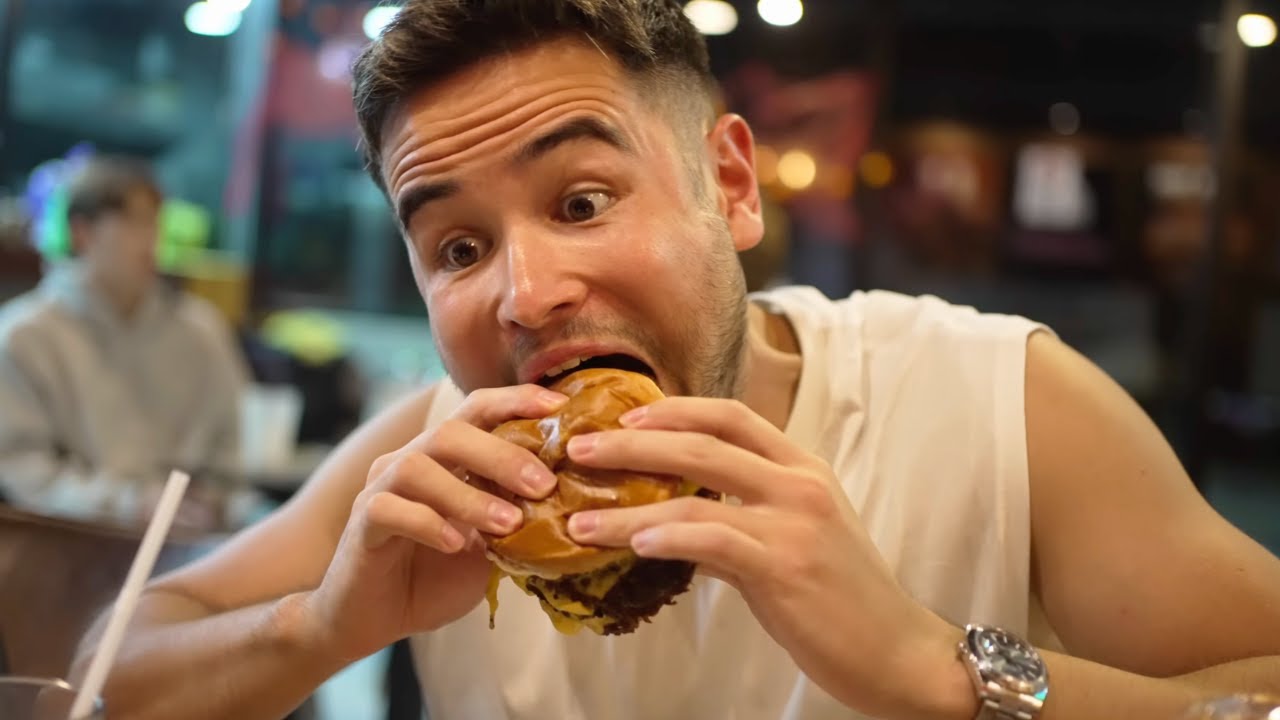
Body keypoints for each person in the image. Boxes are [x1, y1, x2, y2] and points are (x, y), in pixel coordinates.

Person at [75, 3, 1280, 719]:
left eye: (584, 199)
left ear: (731, 186)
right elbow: (103, 669)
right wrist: (321, 627)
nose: (526, 291)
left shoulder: (994, 402)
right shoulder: (433, 464)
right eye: (455, 244)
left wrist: (942, 673)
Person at [0, 155, 247, 529]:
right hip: (73, 543)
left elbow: (228, 460)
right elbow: (24, 471)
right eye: (133, 221)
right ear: (83, 232)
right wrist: (127, 505)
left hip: (189, 542)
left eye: (155, 220)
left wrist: (211, 502)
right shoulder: (24, 335)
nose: (151, 237)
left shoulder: (200, 330)